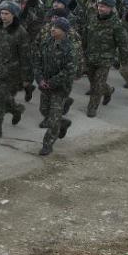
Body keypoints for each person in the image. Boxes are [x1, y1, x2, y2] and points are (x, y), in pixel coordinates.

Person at [0, 1, 31, 140]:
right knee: (4, 97)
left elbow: (25, 56)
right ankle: (16, 109)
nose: (3, 16)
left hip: (11, 73)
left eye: (6, 14)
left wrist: (27, 77)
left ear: (14, 15)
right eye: (1, 13)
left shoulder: (21, 32)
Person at [33, 18, 77, 156]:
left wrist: (51, 82)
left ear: (64, 31)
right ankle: (62, 123)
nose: (52, 29)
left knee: (53, 118)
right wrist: (40, 79)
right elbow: (37, 61)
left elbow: (69, 71)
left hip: (60, 87)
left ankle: (48, 143)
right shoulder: (46, 42)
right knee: (44, 110)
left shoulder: (69, 48)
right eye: (52, 27)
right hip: (45, 85)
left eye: (56, 28)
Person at [84, 0, 128, 117]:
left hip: (105, 59)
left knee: (97, 85)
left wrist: (124, 61)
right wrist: (82, 53)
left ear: (111, 8)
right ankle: (108, 90)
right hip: (90, 57)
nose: (100, 8)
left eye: (103, 6)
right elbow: (85, 37)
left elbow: (123, 44)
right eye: (99, 6)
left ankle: (92, 108)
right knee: (94, 82)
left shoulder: (116, 24)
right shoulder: (92, 19)